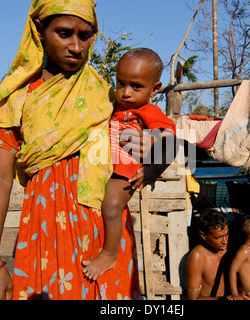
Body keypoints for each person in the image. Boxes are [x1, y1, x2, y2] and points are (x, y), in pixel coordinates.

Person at [0, 0, 156, 300]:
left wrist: (152, 148)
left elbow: (155, 142)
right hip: (46, 228)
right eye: (64, 33)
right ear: (40, 30)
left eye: (84, 35)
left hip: (106, 231)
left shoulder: (107, 92)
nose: (76, 46)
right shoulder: (17, 96)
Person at [82, 48, 176, 281]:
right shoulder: (117, 106)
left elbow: (171, 141)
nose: (125, 92)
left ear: (155, 89)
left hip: (126, 171)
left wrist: (154, 168)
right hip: (106, 166)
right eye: (120, 83)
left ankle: (108, 254)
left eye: (136, 86)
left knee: (112, 205)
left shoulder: (149, 111)